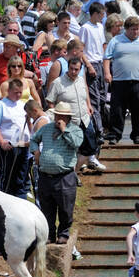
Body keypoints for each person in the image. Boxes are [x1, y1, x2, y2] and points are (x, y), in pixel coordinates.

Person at [32, 101, 84, 245]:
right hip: (45, 175)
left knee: (65, 208)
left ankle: (63, 233)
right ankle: (49, 234)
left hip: (64, 176)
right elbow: (33, 139)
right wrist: (35, 151)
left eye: (61, 116)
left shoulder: (75, 130)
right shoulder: (47, 128)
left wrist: (64, 130)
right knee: (47, 208)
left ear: (67, 117)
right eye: (57, 115)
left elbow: (76, 144)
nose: (58, 118)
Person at [102, 17, 139, 144]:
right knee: (117, 110)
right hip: (119, 81)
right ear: (126, 29)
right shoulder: (116, 40)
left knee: (138, 110)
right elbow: (106, 57)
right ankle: (115, 135)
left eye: (137, 30)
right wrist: (107, 73)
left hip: (138, 81)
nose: (135, 32)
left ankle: (138, 135)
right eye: (133, 30)